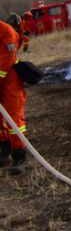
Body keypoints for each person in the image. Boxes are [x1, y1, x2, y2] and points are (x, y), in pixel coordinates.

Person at [0, 15, 29, 174]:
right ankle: (3, 152)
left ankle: (19, 156)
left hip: (9, 80)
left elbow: (7, 58)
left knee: (13, 117)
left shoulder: (6, 31)